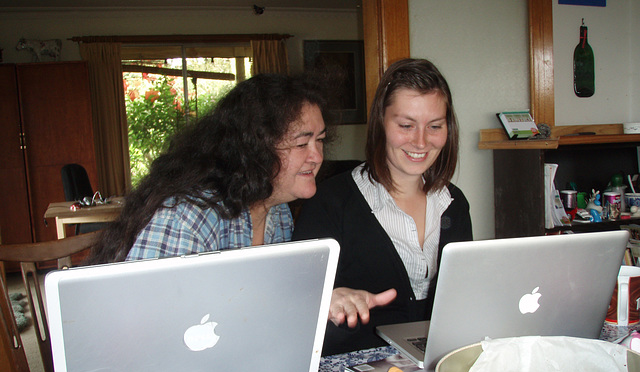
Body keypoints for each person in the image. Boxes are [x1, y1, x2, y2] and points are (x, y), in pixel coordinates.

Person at [88, 73, 393, 322]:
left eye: (320, 140)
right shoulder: (189, 215)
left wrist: (322, 300)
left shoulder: (276, 212)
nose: (317, 156)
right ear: (255, 149)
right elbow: (138, 327)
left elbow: (263, 309)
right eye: (302, 144)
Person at [292, 58, 473, 355]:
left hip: (437, 369)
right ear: (381, 123)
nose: (421, 141)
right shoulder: (329, 203)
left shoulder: (454, 205)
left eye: (435, 126)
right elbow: (296, 309)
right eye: (406, 125)